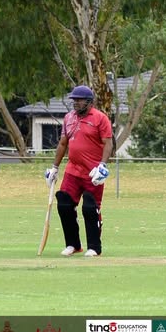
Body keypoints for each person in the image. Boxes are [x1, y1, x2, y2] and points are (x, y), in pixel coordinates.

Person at [44, 85, 113, 257]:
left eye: (79, 100)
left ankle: (94, 247)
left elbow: (108, 143)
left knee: (90, 207)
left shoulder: (100, 118)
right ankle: (73, 245)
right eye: (74, 100)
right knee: (64, 203)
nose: (75, 103)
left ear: (89, 102)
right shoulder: (68, 118)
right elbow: (63, 143)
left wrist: (102, 165)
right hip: (73, 170)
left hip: (93, 172)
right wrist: (54, 167)